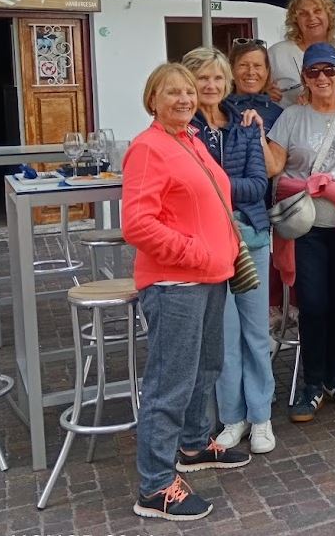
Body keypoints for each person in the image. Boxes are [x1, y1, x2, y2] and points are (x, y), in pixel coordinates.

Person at [123, 63, 250, 522]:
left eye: (189, 92)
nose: (184, 99)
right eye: (171, 92)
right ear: (152, 98)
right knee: (169, 381)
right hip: (175, 281)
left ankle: (194, 445)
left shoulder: (189, 140)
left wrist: (223, 249)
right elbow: (137, 225)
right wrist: (196, 252)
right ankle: (155, 485)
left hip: (209, 276)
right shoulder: (148, 148)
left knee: (205, 366)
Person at [265, 42, 335, 421]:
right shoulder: (291, 118)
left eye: (329, 70)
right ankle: (311, 383)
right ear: (305, 79)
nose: (322, 77)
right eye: (314, 72)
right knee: (311, 303)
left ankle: (334, 377)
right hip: (306, 225)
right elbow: (274, 165)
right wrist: (249, 126)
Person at [180, 47, 275, 456]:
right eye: (203, 78)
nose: (211, 86)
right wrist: (222, 187)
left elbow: (259, 185)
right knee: (224, 336)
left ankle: (261, 416)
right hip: (209, 244)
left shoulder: (246, 126)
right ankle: (232, 417)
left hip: (251, 237)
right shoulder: (183, 131)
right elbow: (185, 187)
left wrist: (212, 185)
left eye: (218, 78)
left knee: (257, 332)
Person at [226, 38, 291, 331]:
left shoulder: (277, 113)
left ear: (268, 72)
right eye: (244, 65)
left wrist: (259, 132)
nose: (251, 72)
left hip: (259, 213)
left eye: (258, 66)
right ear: (232, 70)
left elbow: (274, 167)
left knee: (254, 295)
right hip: (225, 210)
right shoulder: (218, 110)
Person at [268, 0, 335, 107]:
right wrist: (264, 92)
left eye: (317, 11)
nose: (311, 18)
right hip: (287, 123)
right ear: (295, 20)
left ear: (329, 15)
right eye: (303, 13)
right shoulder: (276, 53)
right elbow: (256, 86)